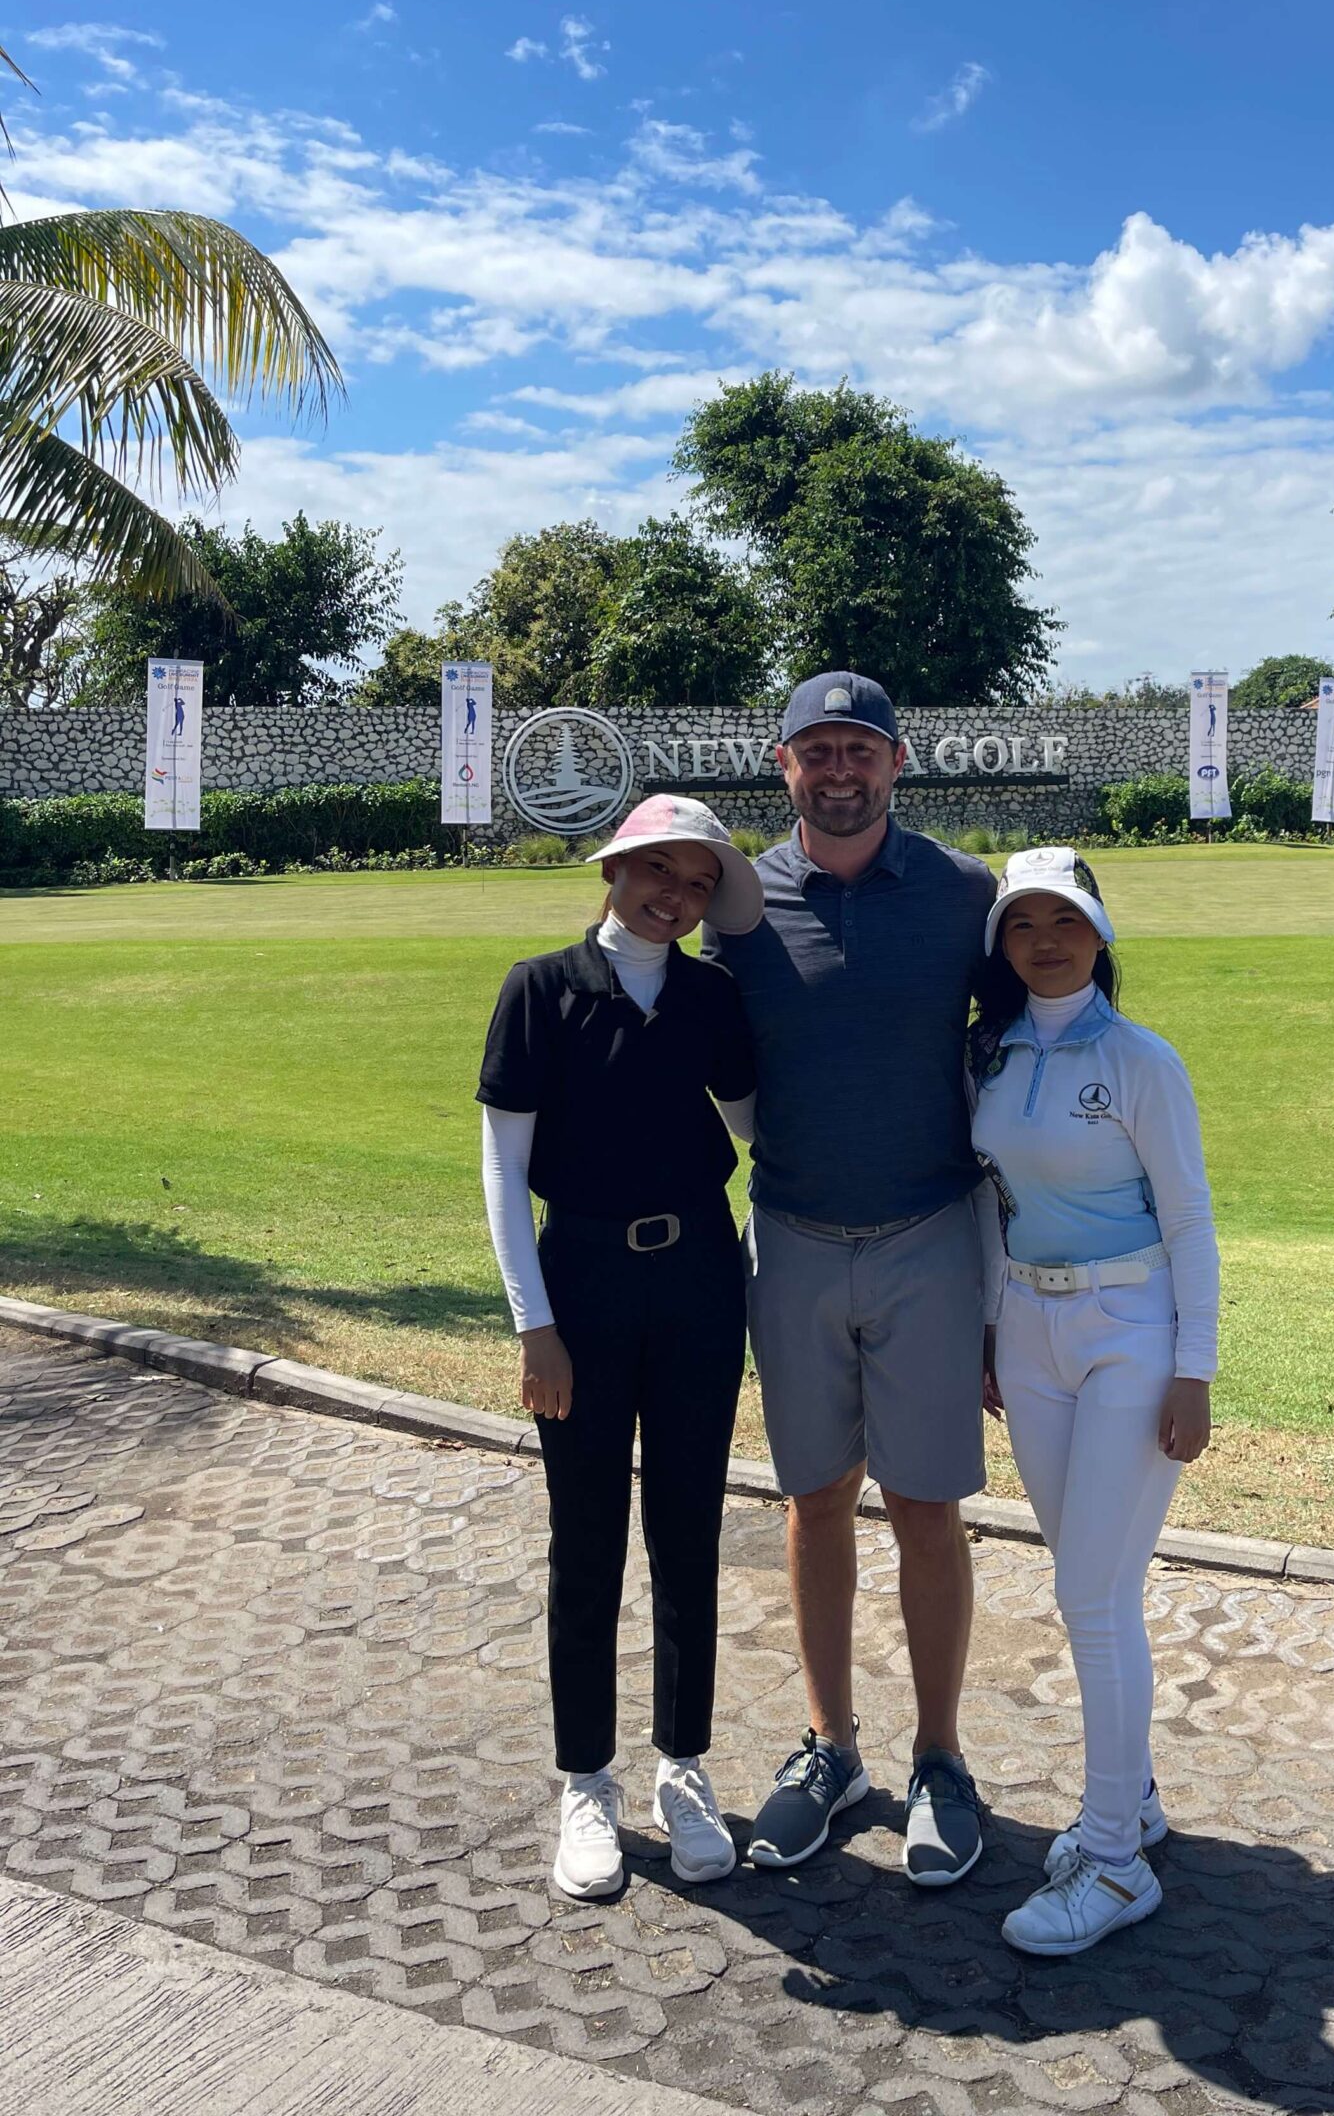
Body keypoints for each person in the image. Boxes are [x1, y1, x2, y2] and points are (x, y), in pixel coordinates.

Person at [706, 670, 999, 1885]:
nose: (838, 771)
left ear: (897, 760)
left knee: (927, 1507)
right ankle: (832, 1747)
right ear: (782, 764)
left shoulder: (964, 894)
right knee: (815, 1498)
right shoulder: (739, 901)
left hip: (930, 1230)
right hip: (791, 1233)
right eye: (815, 750)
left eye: (859, 750)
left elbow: (1015, 1050)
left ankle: (940, 1757)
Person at [477, 793, 764, 1900]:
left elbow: (755, 1131)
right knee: (587, 1536)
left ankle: (681, 1768)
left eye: (697, 885)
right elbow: (505, 1168)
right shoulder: (542, 989)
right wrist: (532, 1322)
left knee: (689, 1527)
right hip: (583, 1283)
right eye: (659, 873)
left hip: (698, 1276)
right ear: (615, 868)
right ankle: (585, 1780)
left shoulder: (708, 996)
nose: (675, 898)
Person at [969, 846, 1219, 1958]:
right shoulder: (993, 1053)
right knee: (1090, 1586)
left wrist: (1196, 1368)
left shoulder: (1140, 1059)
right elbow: (994, 1203)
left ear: (1101, 934)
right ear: (1003, 946)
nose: (1046, 941)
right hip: (1030, 1333)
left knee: (1094, 1595)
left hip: (1132, 1335)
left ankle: (1115, 1862)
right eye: (1023, 924)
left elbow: (1190, 1220)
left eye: (1064, 920)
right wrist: (988, 1327)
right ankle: (1136, 1800)